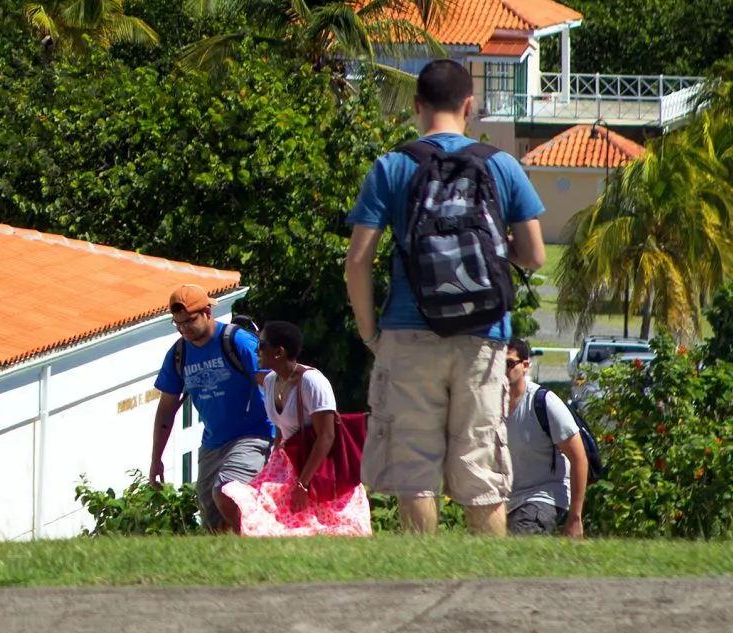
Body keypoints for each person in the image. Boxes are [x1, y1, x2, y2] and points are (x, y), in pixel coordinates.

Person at [347, 56, 547, 535]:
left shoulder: (391, 167)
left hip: (407, 332)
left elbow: (357, 262)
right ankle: (486, 589)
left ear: (416, 105)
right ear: (469, 106)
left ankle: (421, 579)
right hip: (482, 336)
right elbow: (535, 255)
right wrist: (495, 250)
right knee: (482, 472)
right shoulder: (500, 166)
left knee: (415, 472)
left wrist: (371, 334)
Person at [221, 322, 373, 537]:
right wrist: (273, 459)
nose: (256, 350)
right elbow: (281, 427)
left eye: (261, 345)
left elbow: (326, 436)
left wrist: (303, 485)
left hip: (316, 468)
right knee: (242, 502)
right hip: (287, 462)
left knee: (312, 528)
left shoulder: (313, 382)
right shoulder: (271, 381)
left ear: (279, 351)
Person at [148, 284, 273, 532]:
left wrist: (287, 433)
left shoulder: (237, 341)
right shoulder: (178, 354)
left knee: (226, 490)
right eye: (178, 324)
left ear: (207, 311)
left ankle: (259, 541)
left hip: (254, 435)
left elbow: (272, 384)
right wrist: (156, 458)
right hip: (213, 444)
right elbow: (166, 409)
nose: (184, 329)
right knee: (212, 519)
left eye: (189, 321)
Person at [503, 338, 589, 538]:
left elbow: (579, 458)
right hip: (508, 501)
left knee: (522, 544)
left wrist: (576, 517)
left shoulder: (543, 402)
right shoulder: (491, 402)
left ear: (525, 366)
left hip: (544, 496)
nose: (502, 370)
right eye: (498, 363)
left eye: (509, 363)